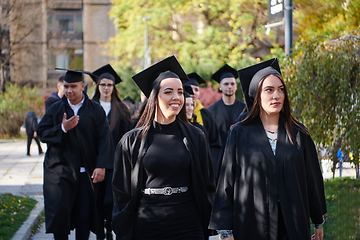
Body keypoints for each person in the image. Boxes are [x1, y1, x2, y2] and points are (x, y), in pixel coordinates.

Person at [209, 58, 327, 240]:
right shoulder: (240, 133)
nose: (277, 95)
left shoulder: (297, 133)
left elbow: (311, 177)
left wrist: (318, 219)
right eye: (269, 90)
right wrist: (225, 230)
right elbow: (227, 182)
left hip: (293, 223)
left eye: (281, 90)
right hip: (252, 223)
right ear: (257, 95)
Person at [112, 55, 215, 240]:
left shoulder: (196, 136)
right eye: (168, 92)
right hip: (147, 222)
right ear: (155, 97)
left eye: (180, 92)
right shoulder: (131, 140)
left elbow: (207, 184)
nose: (176, 97)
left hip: (188, 222)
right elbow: (122, 191)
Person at [37, 69, 114, 240]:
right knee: (60, 215)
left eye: (73, 86)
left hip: (86, 173)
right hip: (59, 172)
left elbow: (104, 140)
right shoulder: (56, 109)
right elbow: (41, 133)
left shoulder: (95, 110)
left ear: (83, 87)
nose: (69, 90)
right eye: (66, 86)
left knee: (84, 215)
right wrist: (63, 128)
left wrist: (101, 165)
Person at [91, 64, 131, 240]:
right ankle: (99, 231)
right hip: (94, 162)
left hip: (115, 164)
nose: (106, 88)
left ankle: (109, 226)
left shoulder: (121, 109)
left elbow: (126, 137)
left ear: (114, 87)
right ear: (97, 86)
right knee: (95, 200)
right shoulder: (90, 107)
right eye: (103, 85)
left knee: (109, 200)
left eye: (109, 85)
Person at [184, 72, 222, 182]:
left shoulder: (206, 114)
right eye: (190, 89)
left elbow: (214, 143)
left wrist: (211, 168)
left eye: (196, 90)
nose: (193, 93)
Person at [207, 64, 245, 152]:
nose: (229, 86)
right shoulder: (211, 111)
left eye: (232, 84)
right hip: (219, 158)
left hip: (241, 155)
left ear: (236, 86)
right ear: (220, 86)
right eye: (226, 84)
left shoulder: (244, 109)